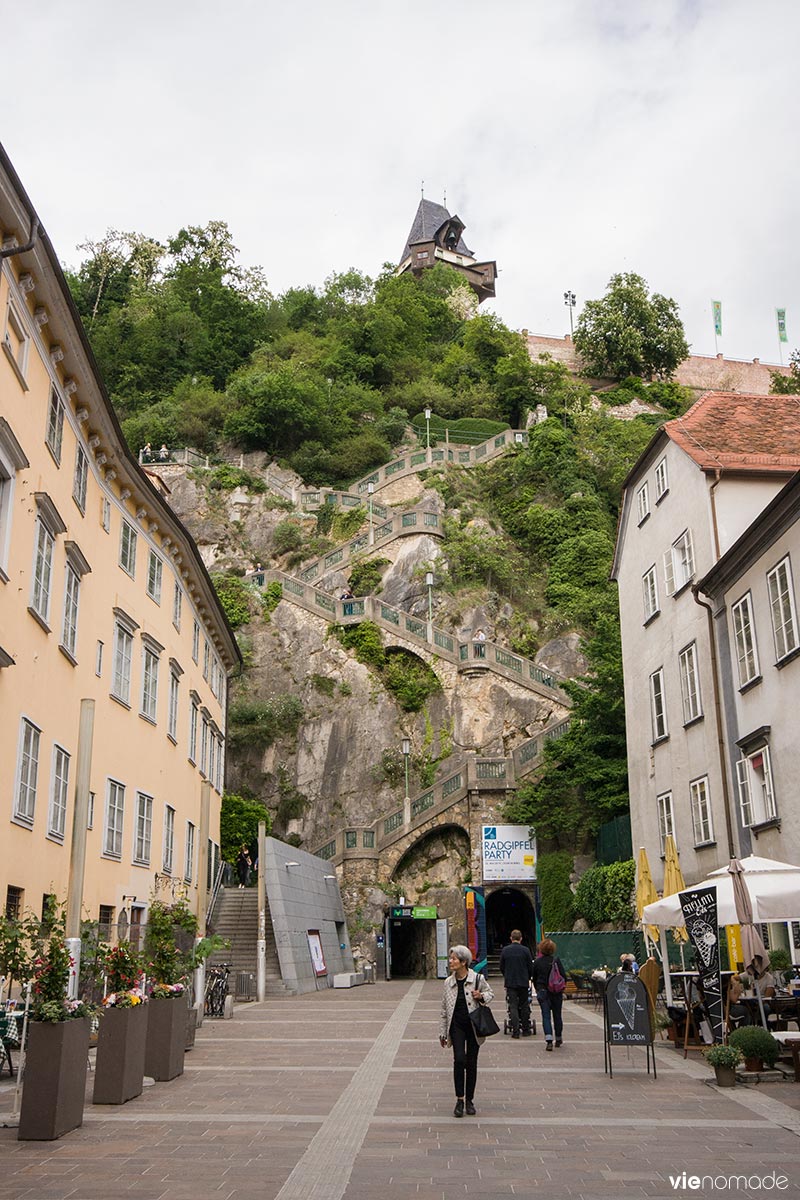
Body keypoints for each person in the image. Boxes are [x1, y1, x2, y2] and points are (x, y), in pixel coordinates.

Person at [439, 945, 494, 1117]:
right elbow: (443, 1009)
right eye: (451, 958)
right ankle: (459, 1099)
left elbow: (490, 993)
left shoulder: (477, 978)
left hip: (473, 1025)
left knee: (471, 1062)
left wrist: (482, 996)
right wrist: (442, 1032)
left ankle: (469, 1100)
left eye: (454, 959)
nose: (451, 961)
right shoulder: (448, 983)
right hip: (456, 1026)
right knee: (459, 1060)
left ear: (463, 962)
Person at [532, 937, 566, 1050]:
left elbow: (534, 977)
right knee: (557, 1015)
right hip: (556, 992)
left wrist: (538, 989)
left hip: (543, 991)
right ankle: (559, 1037)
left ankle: (549, 1040)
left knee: (546, 1016)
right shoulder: (556, 961)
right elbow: (563, 976)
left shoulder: (537, 962)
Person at [499, 930, 534, 1038]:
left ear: (511, 938)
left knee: (513, 1005)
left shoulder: (505, 950)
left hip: (511, 982)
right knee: (524, 1005)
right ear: (521, 938)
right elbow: (530, 966)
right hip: (523, 982)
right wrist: (528, 977)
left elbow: (502, 966)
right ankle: (526, 1029)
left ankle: (515, 1031)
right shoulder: (526, 950)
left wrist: (507, 975)